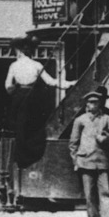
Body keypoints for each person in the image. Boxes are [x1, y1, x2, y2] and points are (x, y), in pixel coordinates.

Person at [5, 35, 76, 168]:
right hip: (33, 98)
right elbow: (52, 82)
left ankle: (21, 159)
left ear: (19, 51)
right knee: (35, 126)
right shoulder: (37, 65)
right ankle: (33, 155)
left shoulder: (14, 65)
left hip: (19, 98)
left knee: (19, 127)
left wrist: (16, 89)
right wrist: (70, 83)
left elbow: (8, 87)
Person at [69, 91, 109, 217]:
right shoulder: (80, 120)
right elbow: (73, 143)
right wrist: (76, 161)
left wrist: (107, 138)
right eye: (90, 102)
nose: (93, 105)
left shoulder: (106, 118)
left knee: (106, 193)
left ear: (100, 104)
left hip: (102, 160)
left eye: (96, 102)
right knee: (90, 195)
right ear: (86, 104)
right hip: (85, 161)